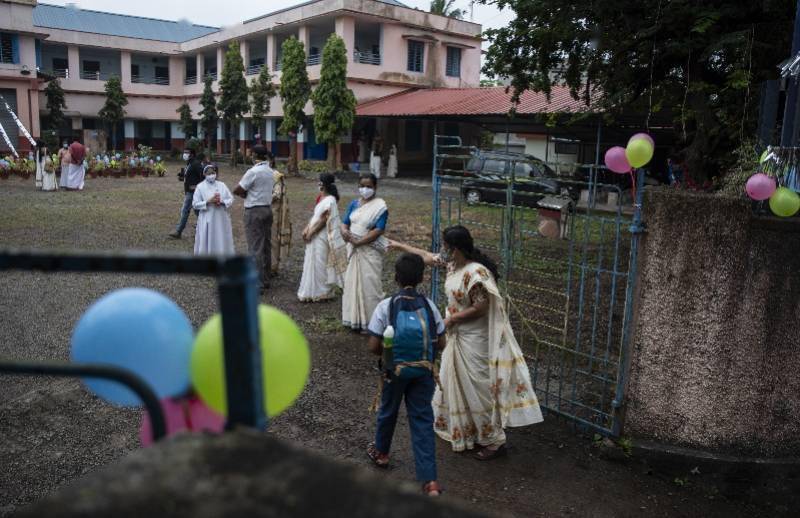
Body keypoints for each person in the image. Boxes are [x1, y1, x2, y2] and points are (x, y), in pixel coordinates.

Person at [388, 225, 543, 460]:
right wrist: (399, 246)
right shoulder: (452, 264)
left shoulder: (476, 273)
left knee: (479, 386)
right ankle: (468, 430)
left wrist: (451, 319)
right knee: (456, 382)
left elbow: (481, 307)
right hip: (457, 334)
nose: (442, 250)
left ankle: (495, 440)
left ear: (456, 249)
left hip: (474, 338)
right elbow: (427, 257)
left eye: (446, 246)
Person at [365, 253, 446, 497]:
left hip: (394, 371)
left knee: (388, 410)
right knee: (421, 420)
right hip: (423, 372)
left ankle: (381, 453)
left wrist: (387, 354)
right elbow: (441, 341)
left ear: (395, 277)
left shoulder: (386, 306)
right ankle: (430, 481)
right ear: (422, 277)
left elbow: (373, 346)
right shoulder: (430, 306)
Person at [341, 173, 388, 331]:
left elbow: (379, 229)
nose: (365, 189)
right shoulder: (353, 204)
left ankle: (371, 322)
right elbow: (344, 223)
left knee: (370, 285)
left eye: (369, 186)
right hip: (353, 250)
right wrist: (344, 232)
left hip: (369, 251)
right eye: (362, 186)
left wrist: (360, 241)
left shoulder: (380, 207)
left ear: (375, 187)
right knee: (351, 284)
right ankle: (352, 318)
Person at [298, 173, 347, 301]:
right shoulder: (321, 198)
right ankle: (312, 291)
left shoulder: (330, 200)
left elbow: (323, 219)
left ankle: (322, 292)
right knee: (313, 261)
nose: (317, 184)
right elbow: (315, 216)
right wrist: (307, 228)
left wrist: (311, 232)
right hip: (315, 233)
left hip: (321, 235)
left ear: (323, 184)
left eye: (319, 182)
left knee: (320, 262)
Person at [233, 145, 274, 291]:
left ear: (254, 155)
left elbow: (238, 189)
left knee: (255, 247)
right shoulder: (270, 171)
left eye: (250, 153)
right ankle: (266, 278)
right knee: (266, 245)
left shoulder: (253, 171)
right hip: (267, 209)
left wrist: (242, 193)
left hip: (254, 211)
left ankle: (257, 283)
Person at [193, 164, 235, 255]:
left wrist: (222, 201)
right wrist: (207, 202)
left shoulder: (222, 185)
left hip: (221, 218)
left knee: (221, 238)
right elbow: (195, 204)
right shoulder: (200, 187)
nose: (211, 175)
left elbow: (231, 198)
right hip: (207, 218)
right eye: (209, 173)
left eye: (213, 172)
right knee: (208, 239)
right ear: (204, 174)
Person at [170, 149, 206, 239]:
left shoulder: (196, 164)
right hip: (190, 192)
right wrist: (183, 177)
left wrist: (197, 186)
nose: (184, 154)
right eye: (184, 152)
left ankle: (178, 231)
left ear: (192, 154)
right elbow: (191, 176)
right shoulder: (190, 163)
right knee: (198, 212)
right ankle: (205, 229)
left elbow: (203, 176)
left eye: (187, 153)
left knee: (185, 210)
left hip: (193, 192)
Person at [270, 161, 292, 277]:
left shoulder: (275, 175)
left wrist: (260, 196)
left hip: (274, 212)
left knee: (273, 239)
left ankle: (273, 266)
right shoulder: (262, 173)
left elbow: (276, 195)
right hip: (266, 211)